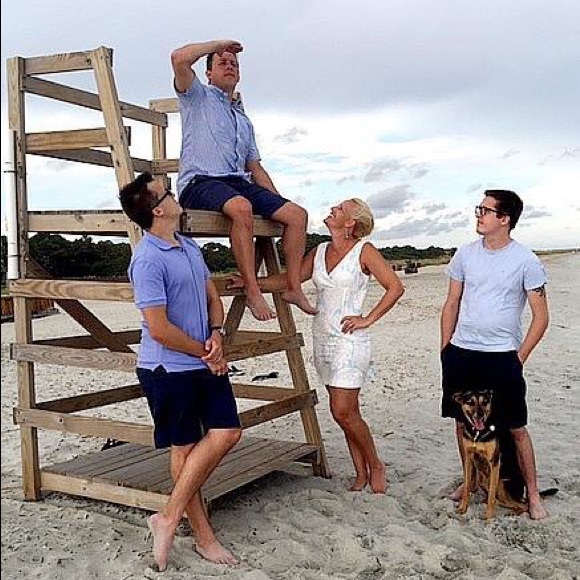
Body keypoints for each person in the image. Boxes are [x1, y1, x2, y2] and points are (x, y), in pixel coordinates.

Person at [229, 198, 404, 492]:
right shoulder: (320, 250)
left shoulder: (364, 250)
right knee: (347, 413)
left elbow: (395, 287)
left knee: (342, 410)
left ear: (351, 222)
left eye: (340, 208)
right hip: (323, 338)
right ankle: (360, 473)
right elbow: (289, 280)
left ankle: (375, 465)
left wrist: (367, 318)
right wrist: (251, 283)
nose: (333, 208)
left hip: (350, 341)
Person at [119, 172, 242, 571]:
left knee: (228, 432)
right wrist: (206, 353)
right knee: (184, 447)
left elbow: (212, 299)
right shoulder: (147, 259)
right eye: (166, 193)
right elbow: (158, 328)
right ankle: (204, 538)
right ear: (158, 211)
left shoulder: (189, 247)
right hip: (166, 368)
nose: (174, 195)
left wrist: (217, 333)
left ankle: (168, 516)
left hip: (203, 359)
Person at [171, 39, 316, 321]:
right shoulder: (197, 96)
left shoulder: (242, 118)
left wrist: (276, 203)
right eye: (222, 63)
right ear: (209, 73)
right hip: (200, 182)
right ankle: (252, 290)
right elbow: (178, 58)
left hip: (238, 183)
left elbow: (255, 168)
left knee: (297, 215)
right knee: (241, 207)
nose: (229, 67)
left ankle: (294, 286)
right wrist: (219, 45)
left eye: (234, 64)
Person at [440, 189, 550, 520]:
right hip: (461, 352)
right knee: (462, 421)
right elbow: (452, 302)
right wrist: (446, 348)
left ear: (505, 219)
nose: (479, 215)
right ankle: (472, 482)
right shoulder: (465, 254)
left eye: (485, 210)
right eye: (479, 209)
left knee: (515, 426)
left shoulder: (526, 261)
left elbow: (541, 317)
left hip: (502, 355)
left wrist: (519, 357)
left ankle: (533, 494)